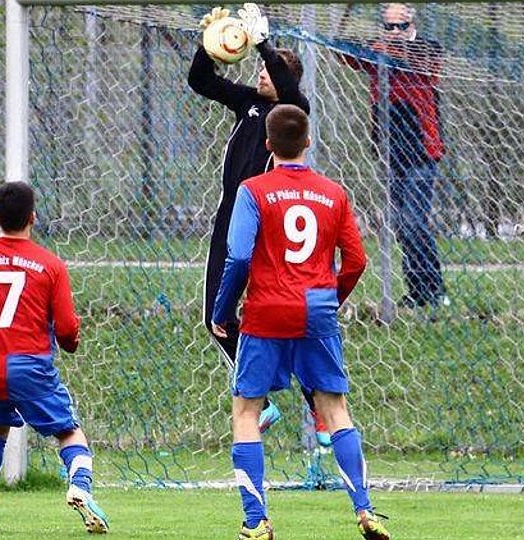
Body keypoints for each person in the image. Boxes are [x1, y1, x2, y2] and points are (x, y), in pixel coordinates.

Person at [212, 105, 389, 540]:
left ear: (268, 145)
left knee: (247, 413)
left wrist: (222, 310)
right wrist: (329, 300)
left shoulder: (253, 191)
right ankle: (364, 510)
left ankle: (256, 523)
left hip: (266, 310)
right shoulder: (334, 192)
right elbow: (358, 260)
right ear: (307, 142)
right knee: (335, 411)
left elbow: (237, 256)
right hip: (316, 311)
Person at [188, 3, 327, 442]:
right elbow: (200, 81)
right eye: (264, 69)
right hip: (230, 216)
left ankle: (317, 409)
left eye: (271, 70)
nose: (263, 75)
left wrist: (265, 43)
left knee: (286, 320)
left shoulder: (292, 109)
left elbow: (286, 88)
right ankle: (263, 404)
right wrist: (208, 45)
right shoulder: (247, 102)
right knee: (216, 315)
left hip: (267, 222)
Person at [0, 182, 108, 534]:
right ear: (33, 217)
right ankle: (80, 486)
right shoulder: (50, 265)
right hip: (30, 366)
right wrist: (71, 342)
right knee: (69, 432)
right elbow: (65, 326)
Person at [338, 2, 446, 308]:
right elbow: (342, 51)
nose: (395, 33)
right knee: (401, 226)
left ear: (412, 25)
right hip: (390, 153)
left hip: (423, 152)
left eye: (401, 27)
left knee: (414, 222)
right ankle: (417, 293)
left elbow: (416, 60)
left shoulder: (428, 50)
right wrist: (346, 18)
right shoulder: (377, 55)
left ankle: (434, 289)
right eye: (389, 27)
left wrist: (379, 48)